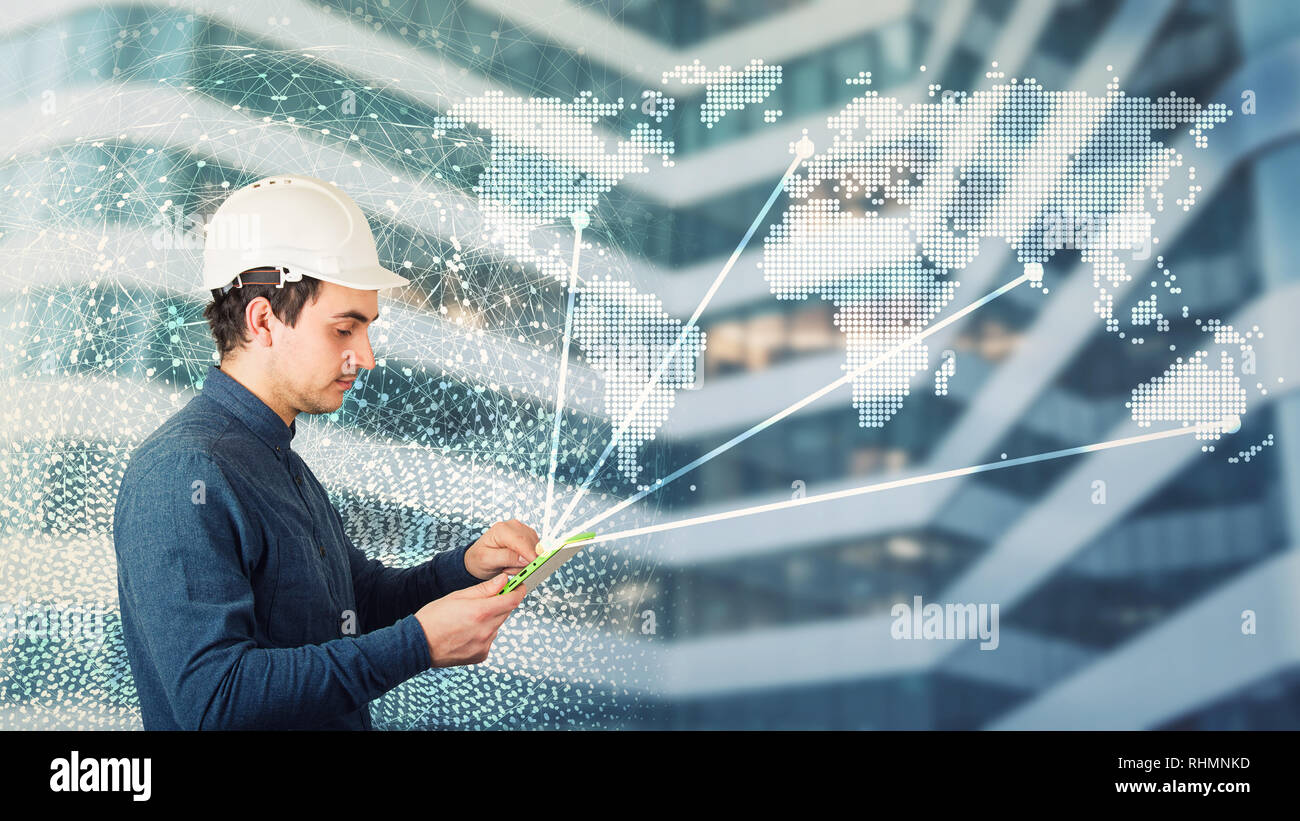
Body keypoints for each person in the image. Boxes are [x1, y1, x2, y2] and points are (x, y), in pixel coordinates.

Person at [113, 173, 543, 729]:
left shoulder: (278, 463)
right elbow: (214, 702)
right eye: (344, 330)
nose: (364, 357)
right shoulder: (184, 472)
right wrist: (417, 645)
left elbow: (351, 607)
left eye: (367, 330)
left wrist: (463, 568)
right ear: (263, 320)